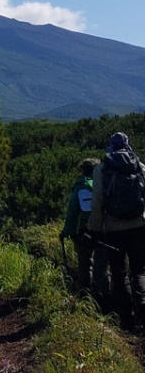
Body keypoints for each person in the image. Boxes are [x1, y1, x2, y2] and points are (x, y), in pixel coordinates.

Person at [88, 131, 145, 330]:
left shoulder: (101, 169)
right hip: (139, 227)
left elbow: (97, 204)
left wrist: (93, 229)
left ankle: (127, 319)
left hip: (113, 230)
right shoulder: (139, 166)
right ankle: (143, 307)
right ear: (127, 144)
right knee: (139, 271)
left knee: (118, 273)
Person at [60, 157, 109, 300]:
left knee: (84, 264)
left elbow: (72, 212)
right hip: (103, 230)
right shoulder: (105, 184)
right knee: (102, 266)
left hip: (83, 231)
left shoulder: (81, 186)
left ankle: (85, 297)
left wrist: (65, 232)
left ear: (83, 170)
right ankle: (103, 297)